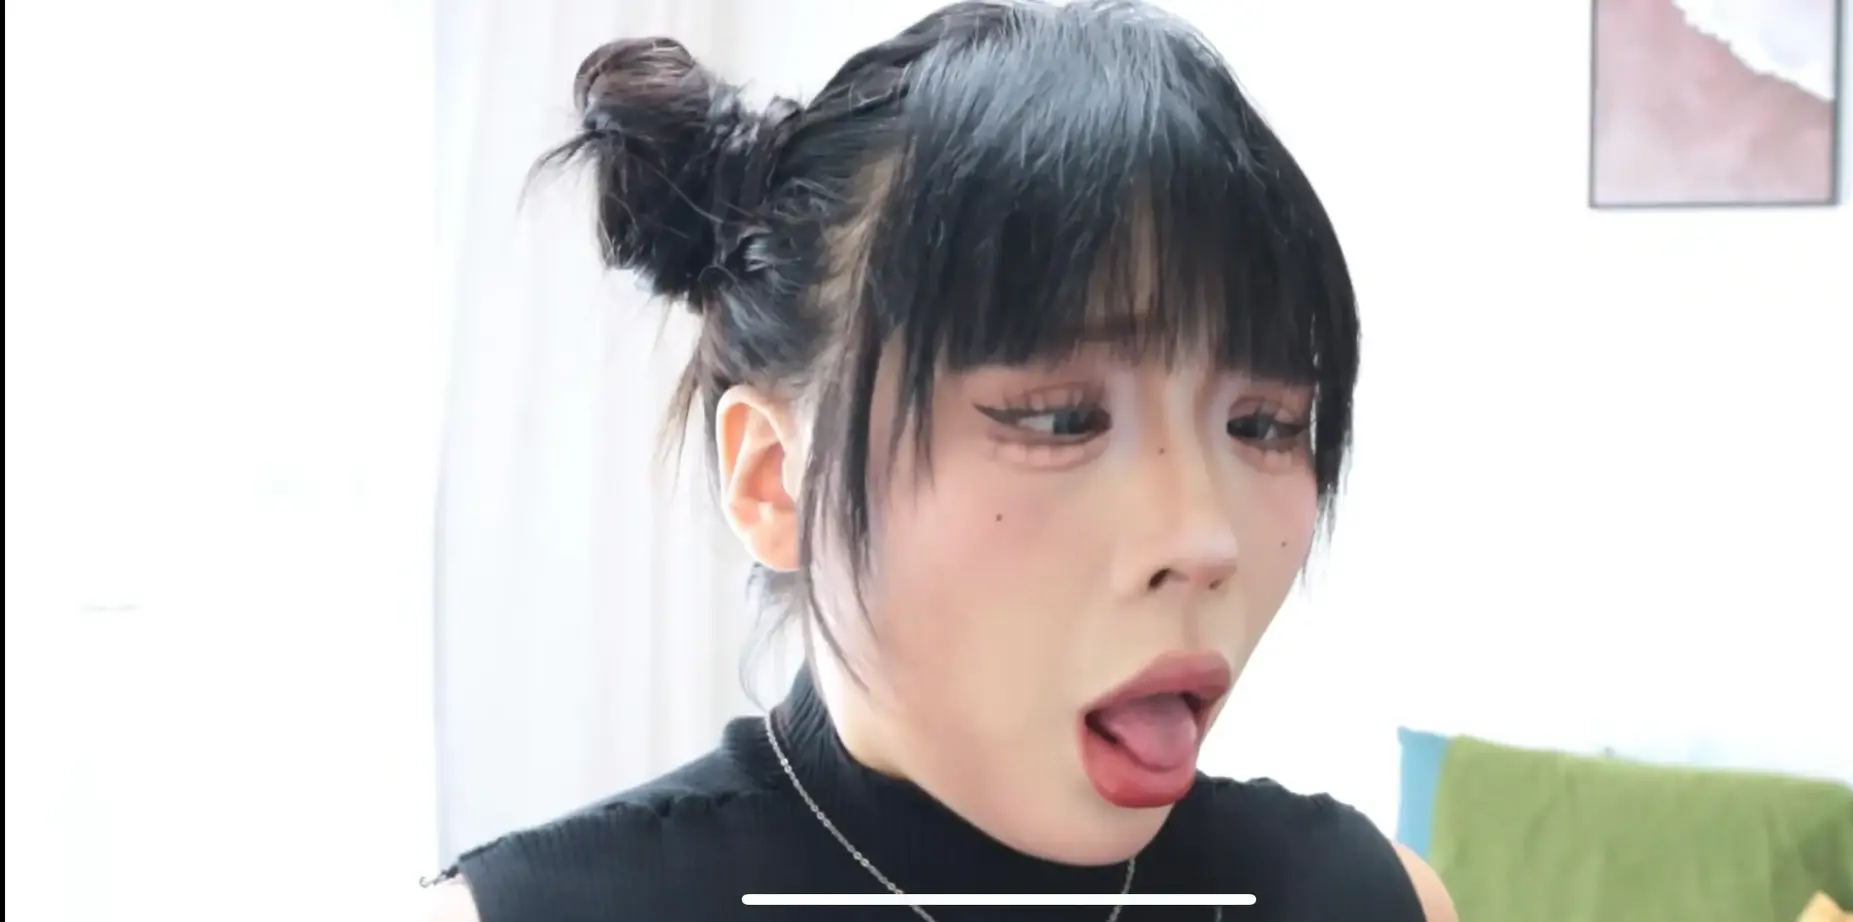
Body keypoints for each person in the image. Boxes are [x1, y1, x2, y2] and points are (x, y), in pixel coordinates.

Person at [430, 2, 1458, 919]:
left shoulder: (1374, 901)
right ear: (775, 478)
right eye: (1061, 419)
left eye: (1265, 426)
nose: (1205, 539)